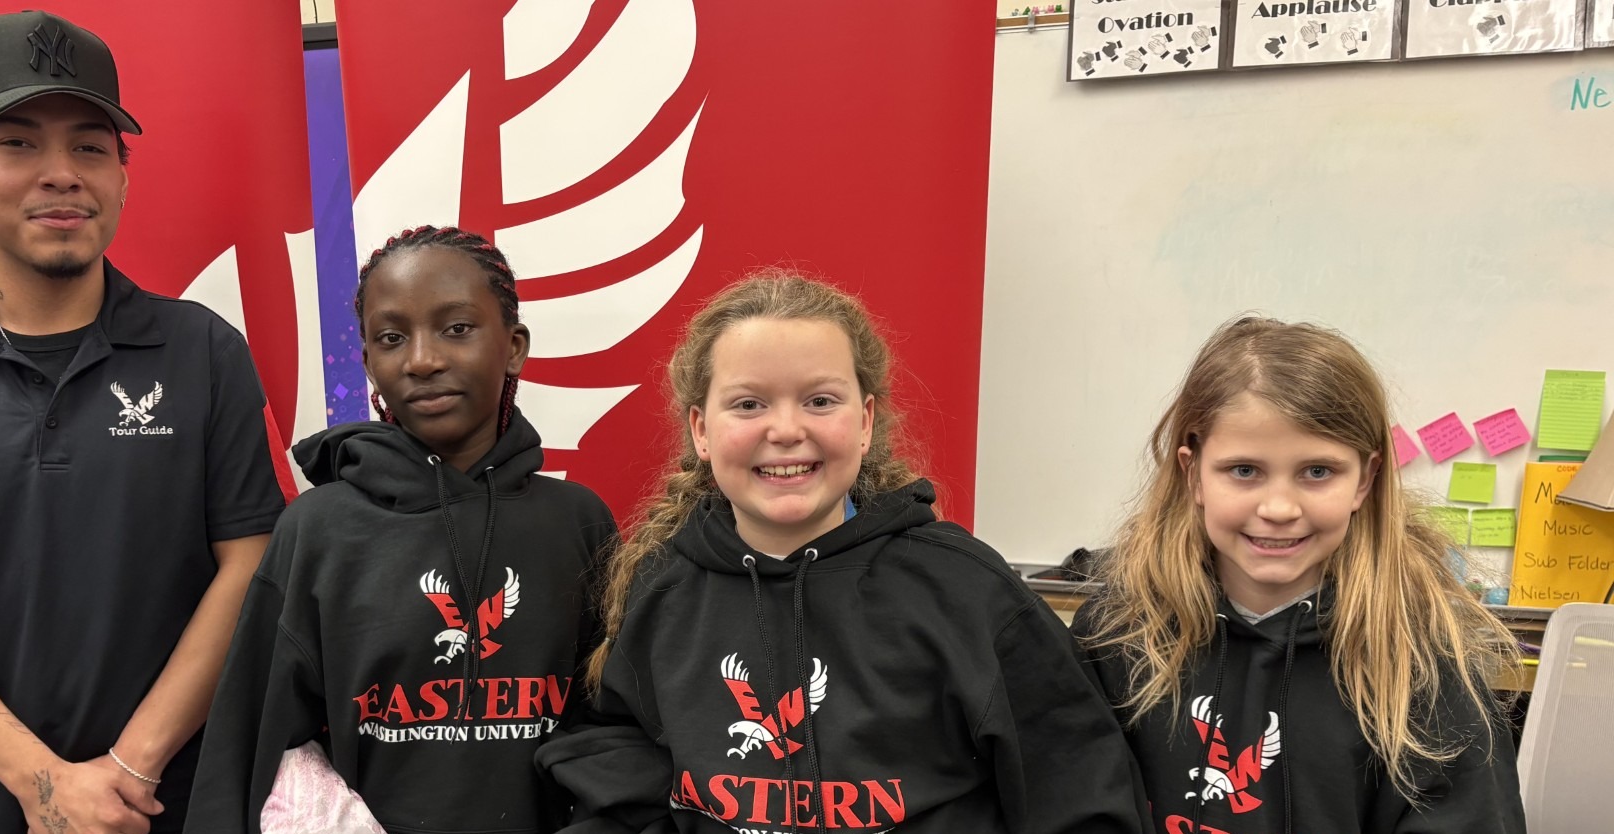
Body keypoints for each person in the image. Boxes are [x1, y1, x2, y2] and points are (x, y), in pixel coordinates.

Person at [0, 11, 289, 833]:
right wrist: (43, 784)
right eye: (16, 143)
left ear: (122, 174)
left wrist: (128, 768)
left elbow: (251, 565)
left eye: (89, 147)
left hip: (185, 800)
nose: (61, 175)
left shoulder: (204, 350)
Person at [537, 271, 1149, 832]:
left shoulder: (968, 593)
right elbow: (616, 751)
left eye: (820, 400)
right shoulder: (662, 586)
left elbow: (1080, 787)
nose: (786, 430)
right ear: (701, 430)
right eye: (749, 404)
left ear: (864, 421)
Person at [187, 226, 618, 834]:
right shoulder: (319, 529)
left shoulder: (578, 522)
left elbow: (613, 729)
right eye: (391, 338)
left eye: (457, 328)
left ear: (514, 346)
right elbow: (251, 744)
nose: (422, 360)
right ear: (368, 363)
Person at [1074, 317, 1524, 834]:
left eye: (1317, 472)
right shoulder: (1115, 635)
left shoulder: (1421, 659)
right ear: (1193, 473)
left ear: (1365, 480)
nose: (1280, 508)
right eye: (1244, 470)